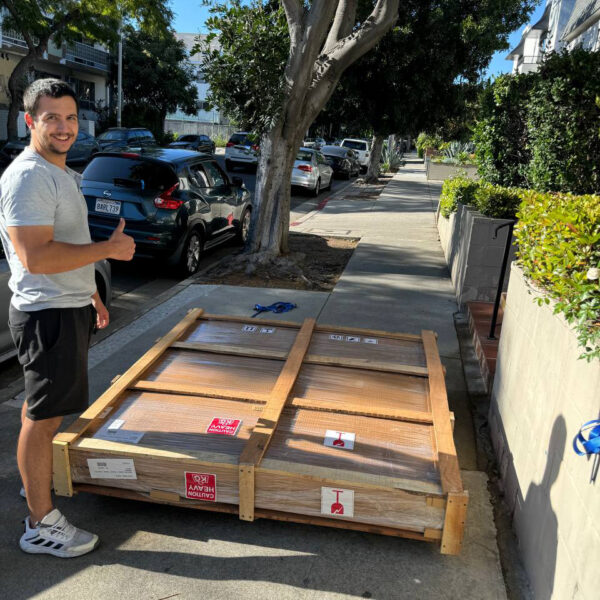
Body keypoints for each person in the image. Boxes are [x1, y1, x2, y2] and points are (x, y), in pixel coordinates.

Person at [0, 78, 135, 557]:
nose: (63, 126)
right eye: (51, 117)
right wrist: (111, 250)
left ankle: (33, 486)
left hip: (65, 307)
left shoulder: (58, 172)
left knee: (41, 411)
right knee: (44, 419)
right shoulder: (30, 177)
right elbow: (36, 257)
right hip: (46, 316)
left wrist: (89, 296)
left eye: (71, 117)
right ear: (29, 121)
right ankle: (41, 524)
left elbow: (63, 250)